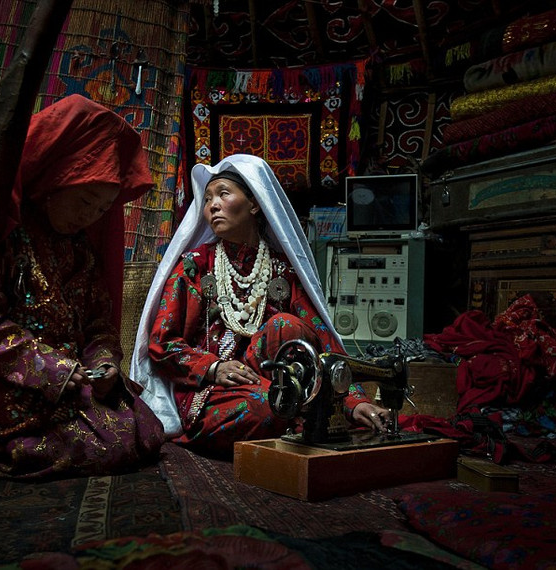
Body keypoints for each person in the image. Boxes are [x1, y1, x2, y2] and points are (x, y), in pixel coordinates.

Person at [0, 94, 165, 480]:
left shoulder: (80, 251)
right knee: (108, 445)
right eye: (85, 201)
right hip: (8, 381)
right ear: (54, 182)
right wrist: (51, 367)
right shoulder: (4, 237)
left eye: (101, 209)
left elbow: (98, 321)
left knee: (147, 430)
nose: (89, 216)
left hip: (70, 381)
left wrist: (103, 363)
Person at [130, 154, 391, 455]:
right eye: (208, 198)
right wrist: (213, 367)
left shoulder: (282, 270)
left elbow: (322, 339)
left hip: (275, 383)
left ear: (254, 204)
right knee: (266, 407)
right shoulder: (194, 268)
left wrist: (354, 400)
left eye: (223, 194)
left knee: (286, 325)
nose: (212, 205)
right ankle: (296, 415)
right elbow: (161, 342)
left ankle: (296, 411)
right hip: (214, 390)